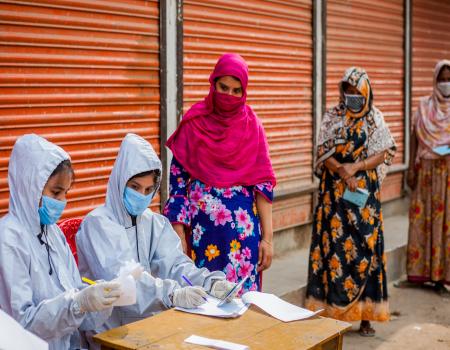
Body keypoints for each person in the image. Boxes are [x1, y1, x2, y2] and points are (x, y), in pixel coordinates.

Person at [76, 133, 238, 333]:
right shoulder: (98, 224)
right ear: (120, 181)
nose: (141, 195)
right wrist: (172, 295)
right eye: (135, 187)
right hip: (108, 331)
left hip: (149, 326)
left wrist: (208, 282)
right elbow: (122, 282)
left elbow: (175, 264)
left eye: (148, 189)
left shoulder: (153, 222)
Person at [163, 53, 276, 293]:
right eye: (224, 88)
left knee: (241, 307)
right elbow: (178, 186)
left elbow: (264, 187)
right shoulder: (195, 122)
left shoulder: (252, 126)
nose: (229, 96)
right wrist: (178, 234)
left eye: (237, 91)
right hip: (201, 238)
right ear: (213, 83)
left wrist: (267, 239)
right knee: (203, 303)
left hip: (243, 243)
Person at [0, 134, 121, 350]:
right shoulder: (9, 238)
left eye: (65, 193)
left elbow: (73, 295)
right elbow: (21, 324)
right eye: (55, 193)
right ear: (30, 187)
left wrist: (95, 299)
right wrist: (77, 304)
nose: (62, 202)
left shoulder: (53, 233)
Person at [305, 67, 396, 336]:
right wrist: (341, 170)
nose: (352, 97)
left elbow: (387, 150)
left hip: (363, 197)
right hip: (333, 197)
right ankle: (332, 313)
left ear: (367, 93)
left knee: (365, 251)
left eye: (358, 93)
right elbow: (322, 151)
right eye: (348, 92)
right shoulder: (333, 116)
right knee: (332, 250)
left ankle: (365, 316)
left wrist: (356, 167)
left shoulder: (375, 119)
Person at [406, 59, 450, 293]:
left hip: (448, 174)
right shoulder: (424, 106)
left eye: (448, 79)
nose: (445, 83)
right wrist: (410, 168)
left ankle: (441, 277)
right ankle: (418, 273)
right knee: (421, 222)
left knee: (444, 225)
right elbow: (414, 137)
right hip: (425, 169)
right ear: (435, 80)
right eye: (441, 79)